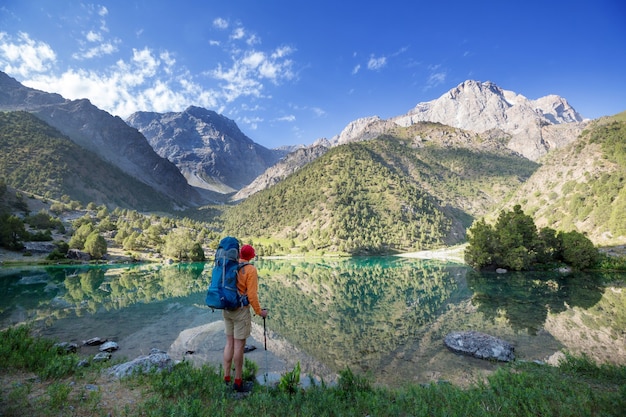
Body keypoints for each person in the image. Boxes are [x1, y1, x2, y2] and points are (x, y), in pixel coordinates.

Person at [222, 244, 267, 392]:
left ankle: (226, 378)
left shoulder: (231, 266)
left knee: (229, 344)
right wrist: (259, 312)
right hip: (241, 312)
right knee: (239, 347)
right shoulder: (250, 270)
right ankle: (238, 382)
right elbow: (252, 295)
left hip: (227, 310)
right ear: (251, 256)